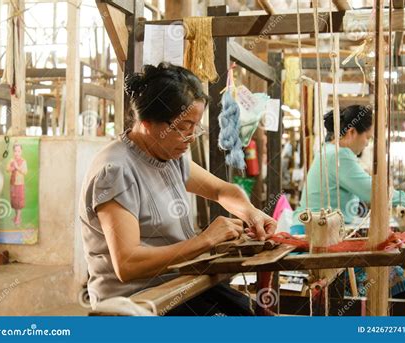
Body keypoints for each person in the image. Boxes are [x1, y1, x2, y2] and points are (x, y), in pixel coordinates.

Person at [79, 62, 277, 315]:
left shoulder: (170, 155)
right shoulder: (116, 171)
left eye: (196, 127)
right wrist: (205, 240)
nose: (191, 137)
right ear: (148, 124)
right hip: (136, 301)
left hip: (179, 285)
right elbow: (127, 263)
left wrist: (251, 213)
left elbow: (222, 191)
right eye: (183, 128)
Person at [292, 105, 405, 298]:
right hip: (314, 239)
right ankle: (397, 321)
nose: (367, 144)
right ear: (351, 132)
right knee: (395, 275)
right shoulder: (338, 155)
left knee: (391, 267)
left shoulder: (328, 152)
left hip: (315, 234)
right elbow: (374, 193)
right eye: (367, 137)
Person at [7, 142, 27, 226]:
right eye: (15, 151)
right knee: (14, 201)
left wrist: (17, 167)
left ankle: (18, 218)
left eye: (18, 151)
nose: (17, 153)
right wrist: (11, 167)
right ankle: (17, 216)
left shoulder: (23, 161)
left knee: (19, 201)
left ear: (21, 151)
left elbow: (25, 172)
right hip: (12, 184)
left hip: (19, 184)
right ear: (13, 152)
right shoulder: (11, 160)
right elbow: (7, 169)